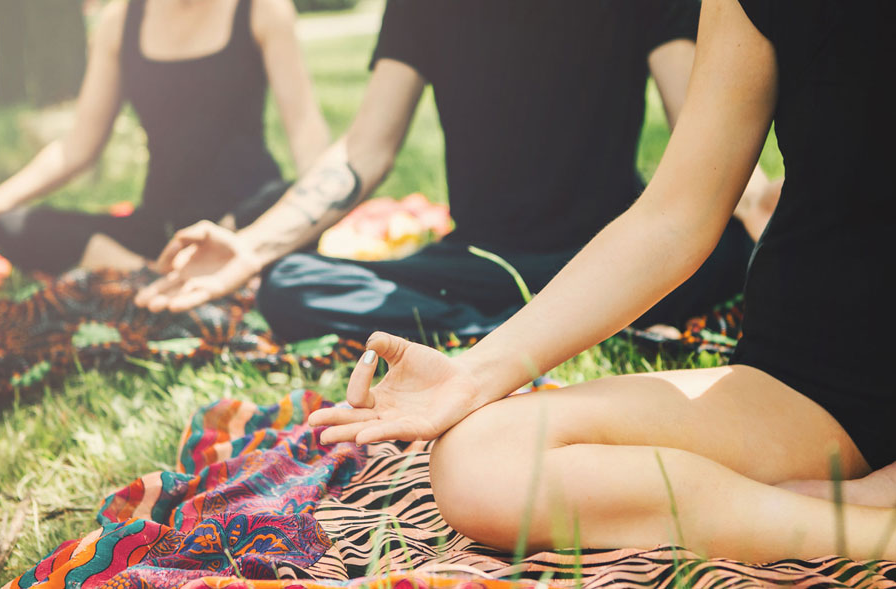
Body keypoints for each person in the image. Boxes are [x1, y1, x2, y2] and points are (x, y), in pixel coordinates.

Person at [308, 0, 896, 563]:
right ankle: (855, 527)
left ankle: (806, 515)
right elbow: (675, 217)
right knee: (482, 461)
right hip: (816, 387)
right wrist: (473, 373)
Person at [134, 0, 780, 342]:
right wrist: (249, 248)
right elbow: (366, 149)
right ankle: (543, 325)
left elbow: (700, 128)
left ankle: (533, 322)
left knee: (721, 250)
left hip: (613, 257)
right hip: (478, 261)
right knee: (290, 284)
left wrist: (758, 202)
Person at [0, 0, 328, 275]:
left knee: (302, 200)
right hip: (160, 227)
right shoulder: (119, 21)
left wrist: (308, 207)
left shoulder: (261, 9)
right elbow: (76, 149)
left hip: (246, 218)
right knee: (9, 225)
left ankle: (171, 270)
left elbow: (305, 131)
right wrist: (2, 198)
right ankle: (151, 272)